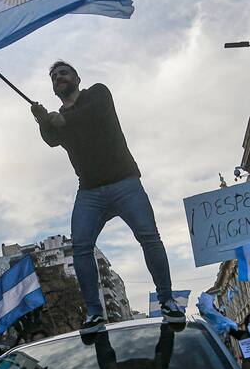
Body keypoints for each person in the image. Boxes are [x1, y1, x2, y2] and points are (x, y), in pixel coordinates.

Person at [31, 61, 183, 332]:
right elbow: (52, 139)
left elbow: (91, 115)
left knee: (149, 237)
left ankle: (167, 301)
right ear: (53, 88)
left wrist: (57, 119)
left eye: (63, 73)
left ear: (77, 77)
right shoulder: (59, 117)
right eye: (53, 77)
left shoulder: (98, 94)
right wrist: (42, 121)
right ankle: (94, 313)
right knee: (81, 246)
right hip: (89, 190)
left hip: (125, 182)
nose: (58, 78)